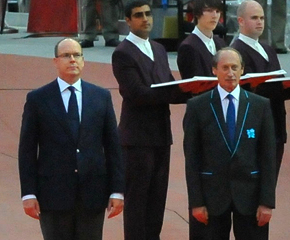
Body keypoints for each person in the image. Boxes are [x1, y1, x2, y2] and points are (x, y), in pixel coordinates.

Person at [18, 38, 124, 240]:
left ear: (83, 60)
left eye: (77, 55)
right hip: (52, 194)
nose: (72, 60)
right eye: (66, 55)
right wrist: (28, 193)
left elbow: (113, 147)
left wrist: (117, 190)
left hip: (93, 193)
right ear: (55, 61)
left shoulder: (100, 96)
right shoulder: (38, 99)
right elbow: (27, 150)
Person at [111, 1, 189, 239]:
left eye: (147, 14)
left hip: (161, 135)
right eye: (138, 15)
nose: (145, 18)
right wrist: (176, 91)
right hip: (136, 139)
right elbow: (135, 93)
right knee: (137, 202)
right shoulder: (122, 53)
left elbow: (168, 85)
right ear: (128, 20)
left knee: (157, 200)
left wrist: (195, 90)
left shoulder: (158, 49)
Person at [183, 48, 276, 240]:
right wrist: (196, 202)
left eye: (235, 67)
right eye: (224, 67)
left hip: (250, 198)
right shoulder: (197, 106)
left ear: (242, 70)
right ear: (214, 70)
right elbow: (192, 158)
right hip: (210, 198)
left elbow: (268, 157)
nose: (230, 73)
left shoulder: (261, 106)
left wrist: (267, 202)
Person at [231, 0, 290, 181]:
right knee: (253, 190)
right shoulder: (235, 51)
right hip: (253, 131)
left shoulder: (268, 49)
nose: (260, 22)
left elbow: (280, 90)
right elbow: (248, 91)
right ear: (240, 21)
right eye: (254, 18)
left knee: (269, 188)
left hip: (276, 126)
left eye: (262, 18)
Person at [177, 0, 227, 80]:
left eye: (217, 11)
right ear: (197, 14)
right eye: (209, 10)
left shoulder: (221, 43)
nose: (214, 15)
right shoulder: (188, 47)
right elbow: (193, 85)